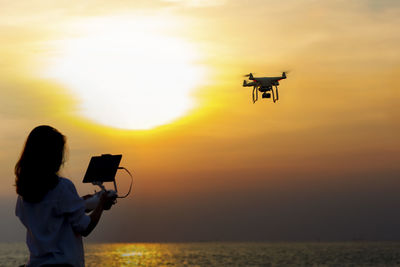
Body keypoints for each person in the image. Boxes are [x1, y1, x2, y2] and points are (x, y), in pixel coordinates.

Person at [15, 125, 116, 267]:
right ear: (53, 156)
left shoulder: (23, 193)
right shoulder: (62, 187)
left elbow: (50, 216)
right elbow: (85, 227)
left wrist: (79, 203)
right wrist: (101, 205)